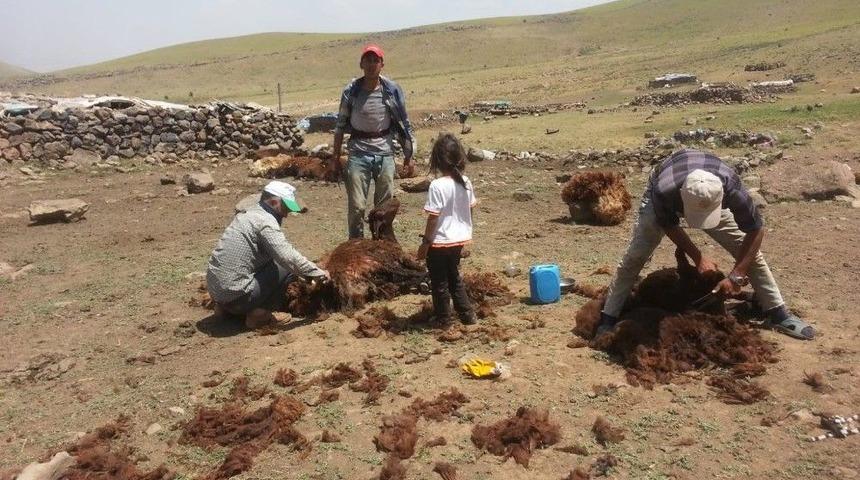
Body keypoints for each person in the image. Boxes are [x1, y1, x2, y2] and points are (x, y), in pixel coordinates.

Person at [596, 148, 815, 340]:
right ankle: (608, 317)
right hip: (665, 183)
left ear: (722, 198)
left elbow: (756, 230)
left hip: (703, 186)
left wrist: (737, 274)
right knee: (635, 257)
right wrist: (698, 257)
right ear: (682, 197)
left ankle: (778, 313)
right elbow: (669, 225)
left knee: (747, 251)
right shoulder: (664, 190)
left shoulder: (732, 188)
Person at [206, 181, 329, 328]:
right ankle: (260, 314)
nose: (287, 214)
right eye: (286, 207)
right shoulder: (265, 221)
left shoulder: (248, 214)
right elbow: (288, 257)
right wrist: (317, 273)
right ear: (274, 202)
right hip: (237, 298)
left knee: (269, 262)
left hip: (216, 293)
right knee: (284, 267)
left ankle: (224, 310)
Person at [330, 43, 416, 239]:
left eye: (375, 60)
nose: (371, 64)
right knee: (357, 205)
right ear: (361, 64)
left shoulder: (392, 90)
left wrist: (409, 156)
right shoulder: (351, 91)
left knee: (384, 206)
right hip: (358, 153)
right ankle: (356, 246)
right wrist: (335, 157)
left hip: (385, 153)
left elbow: (404, 124)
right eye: (367, 60)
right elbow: (340, 125)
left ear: (382, 64)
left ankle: (382, 244)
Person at [417, 133, 477, 325]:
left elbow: (433, 218)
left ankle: (443, 317)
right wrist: (466, 233)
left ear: (437, 161)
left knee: (439, 281)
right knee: (454, 276)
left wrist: (425, 243)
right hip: (458, 240)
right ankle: (467, 314)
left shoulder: (437, 185)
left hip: (440, 242)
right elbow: (470, 210)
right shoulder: (465, 182)